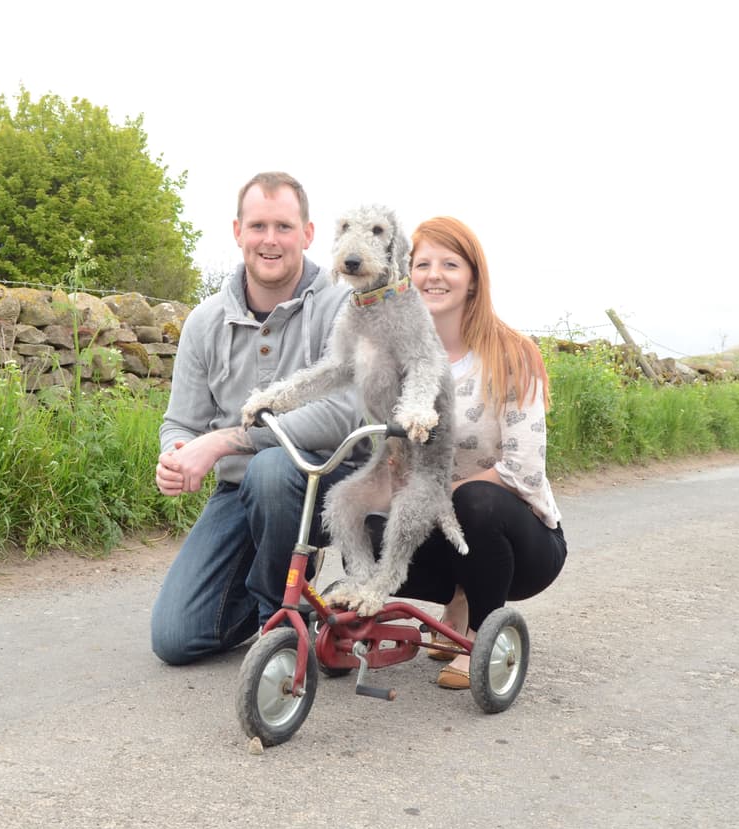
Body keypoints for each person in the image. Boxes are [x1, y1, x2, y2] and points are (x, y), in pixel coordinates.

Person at [150, 171, 364, 666]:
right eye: (259, 226)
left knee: (271, 472)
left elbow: (345, 412)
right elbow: (180, 421)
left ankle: (279, 619)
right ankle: (301, 596)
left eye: (284, 227)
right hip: (242, 493)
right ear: (237, 231)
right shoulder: (204, 321)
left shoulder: (345, 303)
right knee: (175, 639)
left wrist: (225, 442)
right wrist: (176, 455)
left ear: (307, 235)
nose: (271, 240)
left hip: (339, 480)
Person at [388, 215, 568, 689]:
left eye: (450, 263)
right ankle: (457, 597)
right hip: (439, 529)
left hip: (517, 541)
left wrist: (443, 494)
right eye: (422, 263)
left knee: (475, 502)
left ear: (472, 280)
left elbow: (524, 470)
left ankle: (477, 632)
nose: (434, 274)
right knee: (364, 530)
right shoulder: (399, 360)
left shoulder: (511, 355)